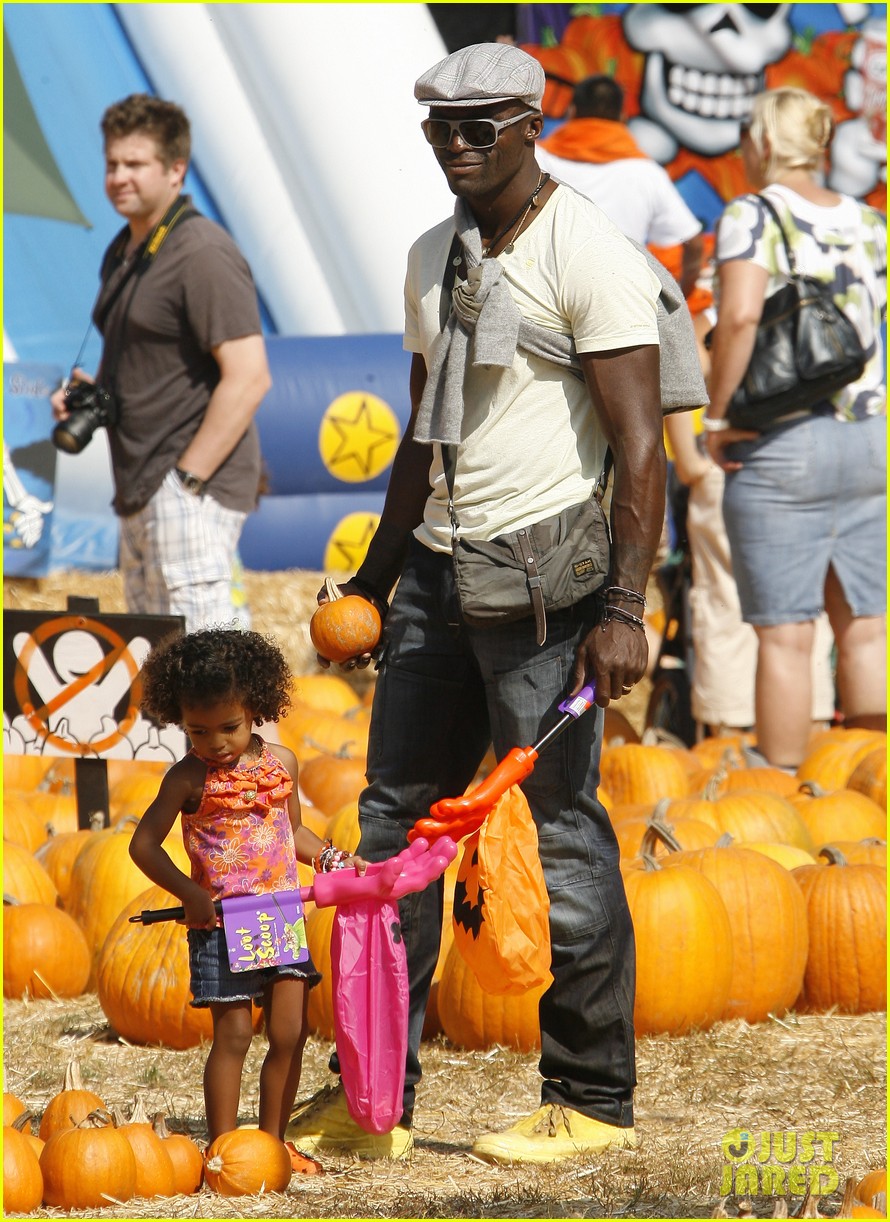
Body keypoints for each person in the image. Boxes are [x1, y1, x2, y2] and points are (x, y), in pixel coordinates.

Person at [287, 42, 667, 1165]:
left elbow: (641, 449)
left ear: (529, 126)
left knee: (559, 834)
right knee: (390, 833)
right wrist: (375, 578)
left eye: (477, 128)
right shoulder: (429, 256)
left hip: (548, 590)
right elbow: (421, 436)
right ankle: (376, 1096)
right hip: (436, 579)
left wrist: (626, 605)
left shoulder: (586, 250)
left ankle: (589, 1097)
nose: (453, 146)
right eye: (438, 129)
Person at [129, 627, 364, 1163]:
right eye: (198, 731)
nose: (215, 742)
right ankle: (225, 1151)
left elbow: (292, 832)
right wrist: (189, 893)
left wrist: (332, 859)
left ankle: (272, 1145)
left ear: (255, 708)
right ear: (180, 720)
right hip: (219, 923)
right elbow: (143, 845)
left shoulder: (281, 763)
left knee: (289, 1032)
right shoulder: (187, 779)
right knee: (233, 1036)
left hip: (279, 915)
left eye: (229, 727)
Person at [703, 87, 886, 769]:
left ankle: (782, 791)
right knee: (866, 630)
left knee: (786, 637)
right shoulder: (872, 221)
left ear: (763, 143)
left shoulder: (751, 214)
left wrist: (717, 415)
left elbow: (741, 317)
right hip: (871, 441)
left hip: (782, 443)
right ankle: (871, 786)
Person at [50, 94, 271, 633]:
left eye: (134, 163)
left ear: (176, 170)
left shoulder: (201, 251)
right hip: (139, 486)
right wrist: (89, 395)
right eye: (111, 163)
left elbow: (250, 376)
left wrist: (186, 480)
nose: (118, 177)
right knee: (158, 663)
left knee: (208, 658)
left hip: (188, 486)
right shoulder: (123, 251)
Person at [536, 75, 704, 295]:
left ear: (572, 111)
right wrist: (682, 298)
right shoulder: (646, 172)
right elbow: (694, 243)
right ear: (623, 117)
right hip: (619, 298)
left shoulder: (537, 159)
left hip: (548, 295)